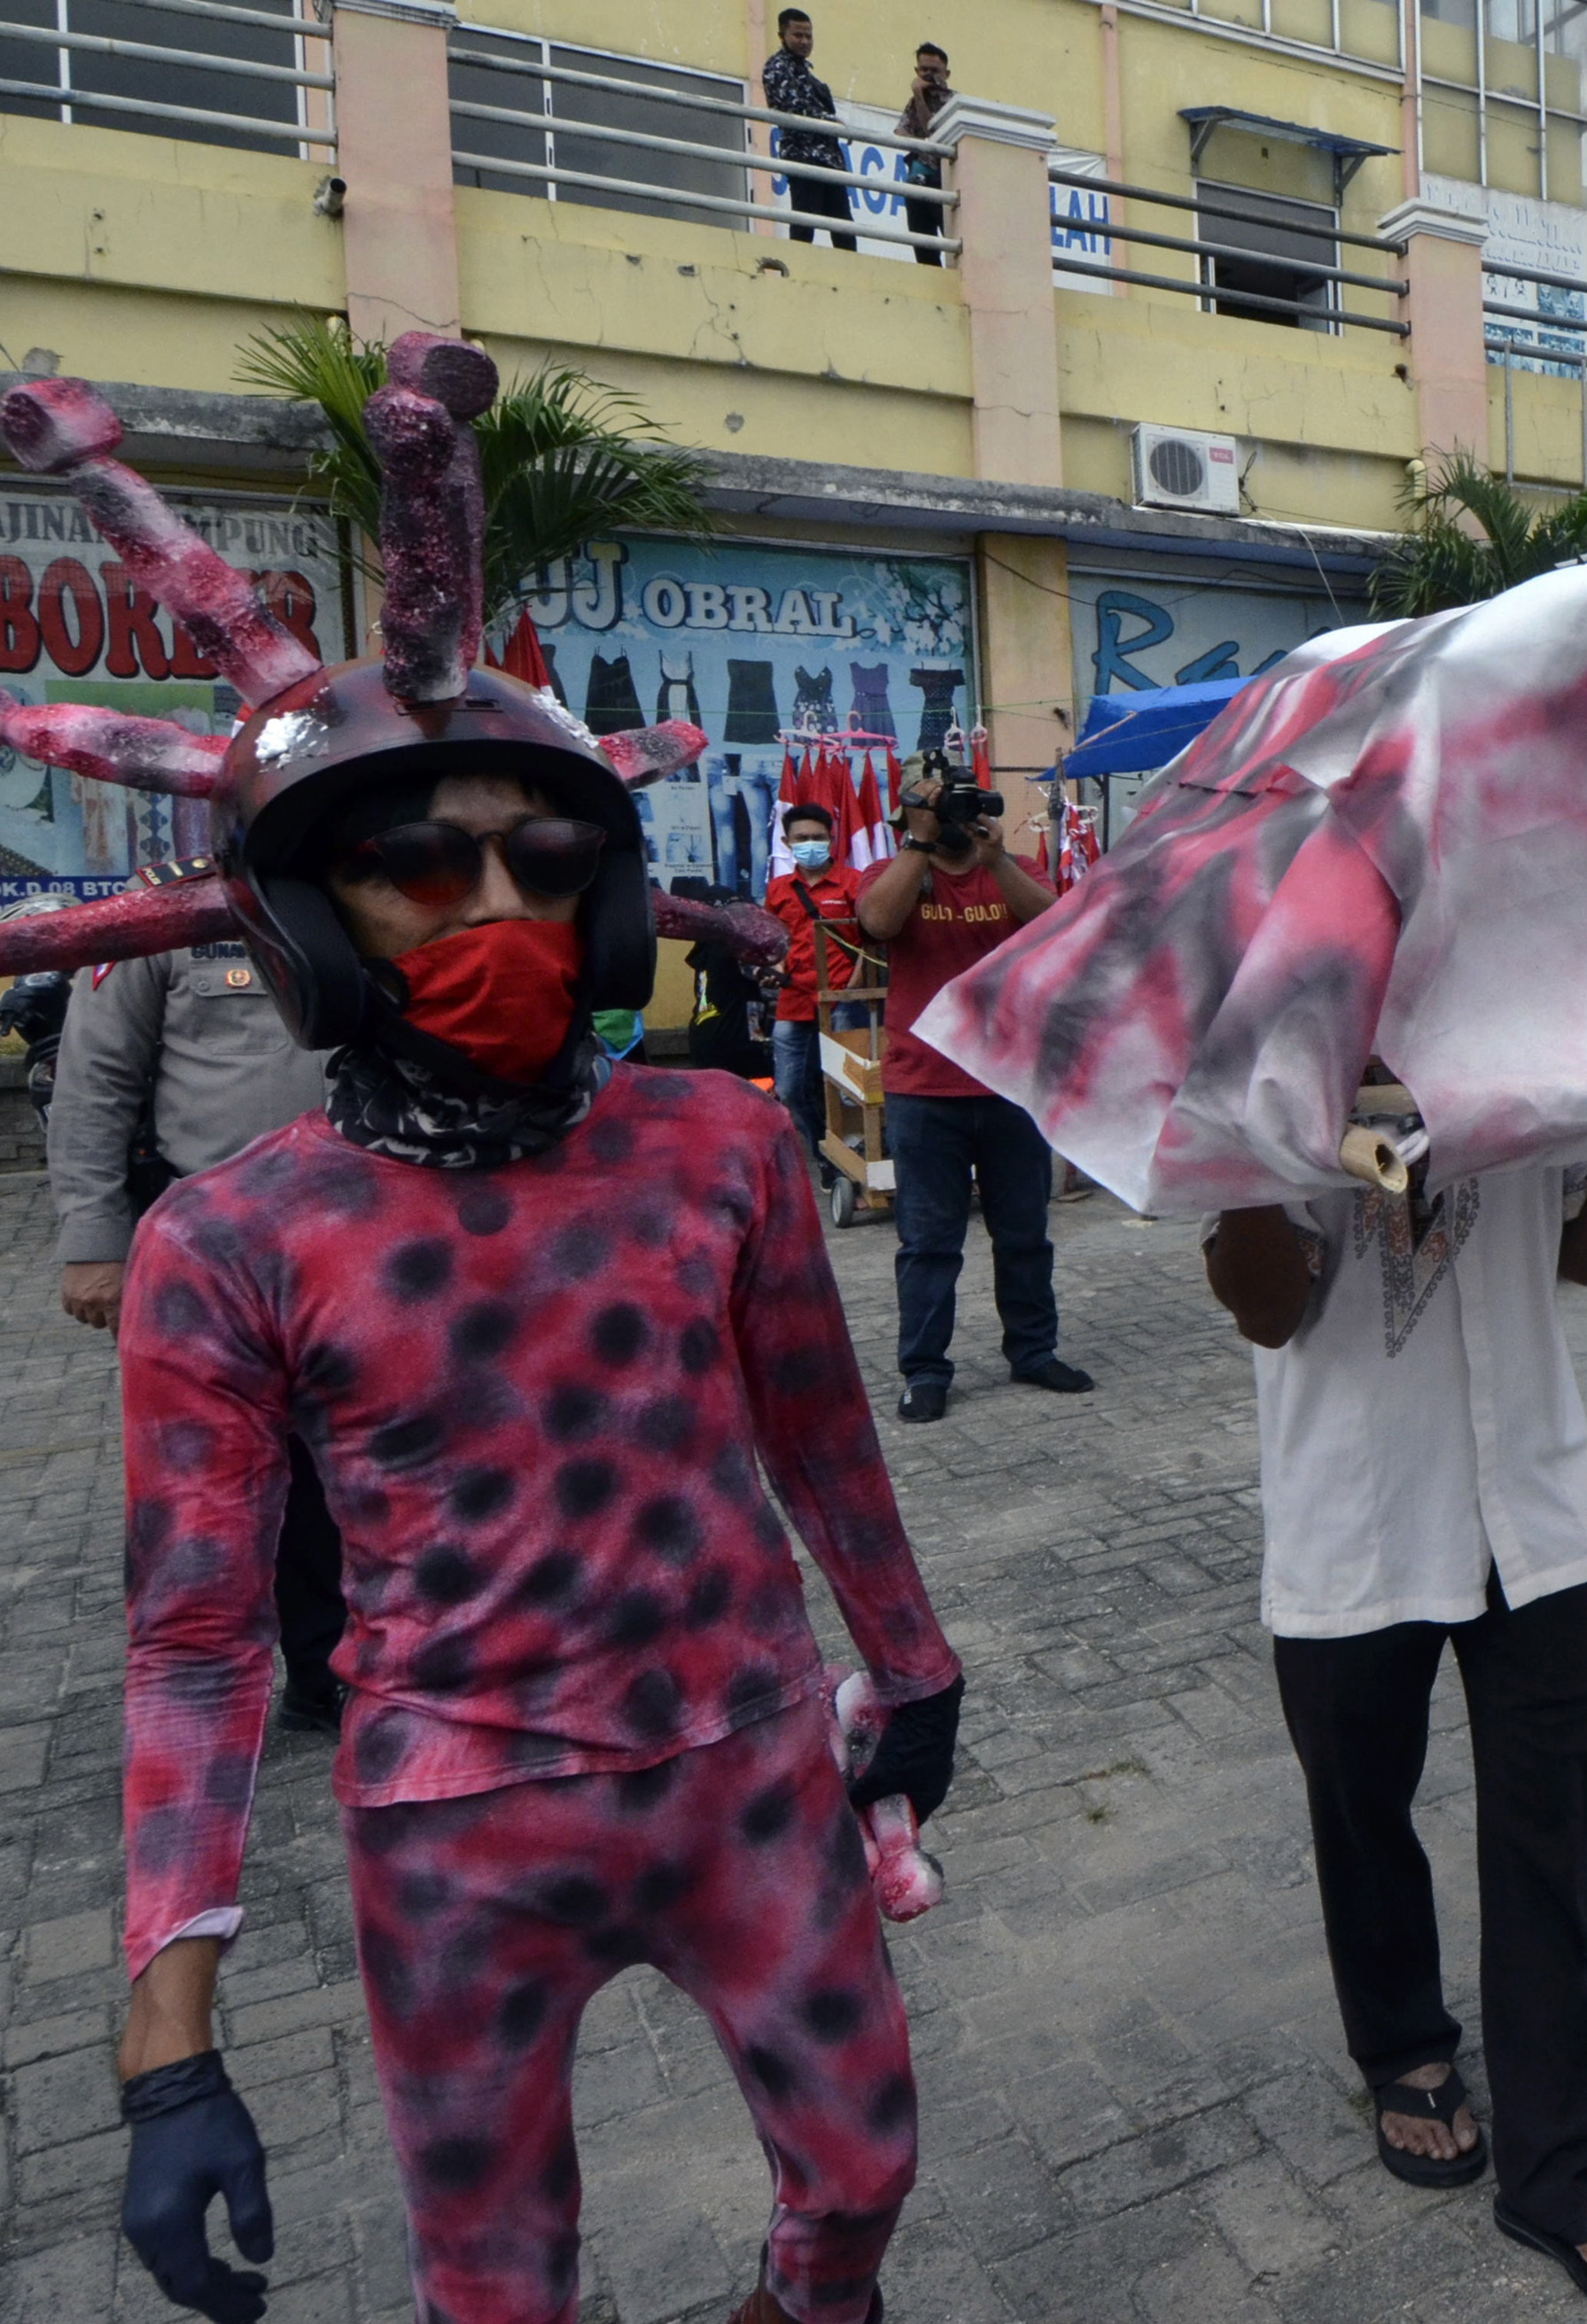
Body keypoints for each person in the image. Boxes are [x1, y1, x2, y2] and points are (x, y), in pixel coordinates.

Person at [0, 343, 961, 2324]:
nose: (495, 907)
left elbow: (820, 1434)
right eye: (418, 866)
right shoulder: (231, 1242)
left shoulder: (720, 1144)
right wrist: (167, 2040)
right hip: (459, 1824)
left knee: (865, 2179)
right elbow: (196, 1642)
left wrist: (912, 1662)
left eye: (547, 860)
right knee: (498, 2285)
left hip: (749, 1762)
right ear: (305, 916)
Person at [1205, 1147, 1587, 2312]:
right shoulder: (1279, 1054)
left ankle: (1554, 2157)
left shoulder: (1536, 1042)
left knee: (1545, 1826)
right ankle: (1400, 2044)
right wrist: (1241, 1143)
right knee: (1359, 1799)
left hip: (1531, 1499)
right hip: (1352, 1500)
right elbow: (1267, 1311)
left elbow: (1586, 1253)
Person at [49, 924, 345, 1729]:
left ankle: (328, 1672)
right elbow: (95, 1080)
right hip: (212, 1254)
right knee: (202, 1490)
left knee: (341, 1476)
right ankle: (198, 1694)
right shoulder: (163, 924)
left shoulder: (369, 892)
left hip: (364, 1243)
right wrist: (94, 1243)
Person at [856, 755, 1090, 1421]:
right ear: (909, 814)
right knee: (929, 1243)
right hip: (924, 1090)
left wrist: (998, 860)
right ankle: (925, 1370)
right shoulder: (895, 870)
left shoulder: (1011, 869)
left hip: (1009, 1084)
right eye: (936, 805)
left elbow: (1057, 927)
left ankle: (1034, 1352)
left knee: (1024, 1234)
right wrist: (921, 841)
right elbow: (878, 922)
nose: (954, 817)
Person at [763, 799, 874, 1170]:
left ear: (832, 839)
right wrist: (774, 968)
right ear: (787, 842)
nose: (810, 844)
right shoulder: (778, 889)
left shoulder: (854, 882)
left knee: (851, 1088)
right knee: (790, 1089)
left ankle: (859, 1156)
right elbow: (774, 941)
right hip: (793, 999)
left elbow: (872, 938)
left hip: (844, 1000)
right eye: (801, 838)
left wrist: (854, 987)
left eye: (817, 837)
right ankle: (825, 1156)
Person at [759, 8, 857, 252]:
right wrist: (831, 121)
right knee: (805, 222)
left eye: (808, 36)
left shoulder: (804, 71)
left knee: (844, 228)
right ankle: (798, 266)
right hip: (803, 156)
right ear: (782, 36)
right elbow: (793, 106)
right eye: (798, 35)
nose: (804, 41)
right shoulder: (777, 67)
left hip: (829, 160)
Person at [891, 43, 951, 266]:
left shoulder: (953, 101)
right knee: (922, 241)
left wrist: (918, 95)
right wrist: (922, 143)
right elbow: (900, 132)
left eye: (934, 70)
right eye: (924, 69)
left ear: (946, 74)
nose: (928, 75)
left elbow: (930, 129)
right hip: (918, 176)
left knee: (951, 235)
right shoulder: (914, 102)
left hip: (944, 180)